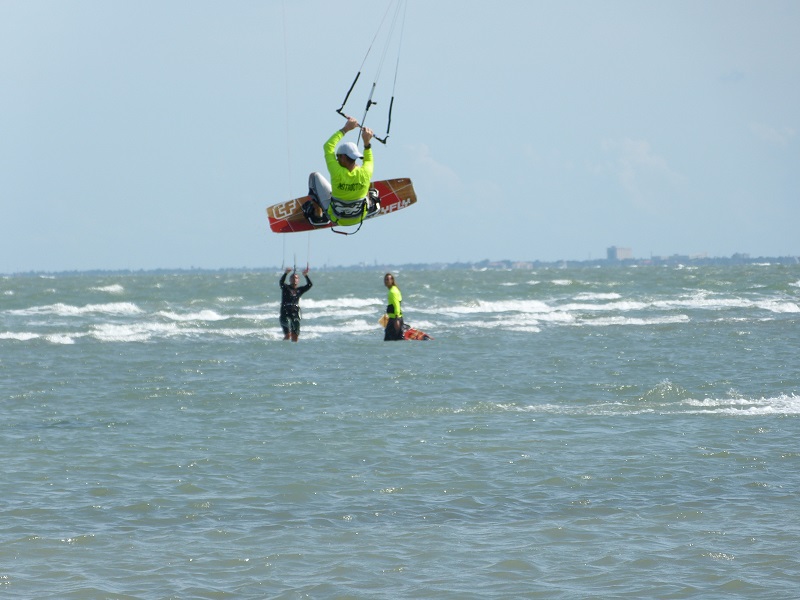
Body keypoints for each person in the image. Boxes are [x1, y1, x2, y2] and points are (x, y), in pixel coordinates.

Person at [306, 116, 378, 226]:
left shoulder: (337, 172)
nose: (336, 159)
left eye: (338, 157)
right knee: (366, 183)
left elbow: (328, 147)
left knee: (314, 176)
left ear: (343, 157)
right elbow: (368, 158)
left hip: (335, 217)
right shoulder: (365, 172)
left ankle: (318, 213)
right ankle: (372, 204)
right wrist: (367, 142)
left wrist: (346, 129)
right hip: (360, 216)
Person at [279, 267, 312, 342]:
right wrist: (286, 273)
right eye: (293, 278)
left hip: (295, 312)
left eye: (296, 278)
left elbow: (309, 285)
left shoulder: (299, 290)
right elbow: (281, 282)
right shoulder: (286, 288)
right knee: (288, 335)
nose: (294, 279)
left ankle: (294, 348)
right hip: (285, 311)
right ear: (290, 280)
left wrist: (305, 275)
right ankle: (284, 347)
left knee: (295, 335)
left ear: (298, 280)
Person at [383, 272, 405, 341]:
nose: (387, 281)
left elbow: (396, 305)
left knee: (389, 340)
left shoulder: (393, 291)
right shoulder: (394, 289)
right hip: (392, 318)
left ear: (392, 280)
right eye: (386, 279)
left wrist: (397, 319)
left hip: (394, 320)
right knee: (396, 340)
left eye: (388, 279)